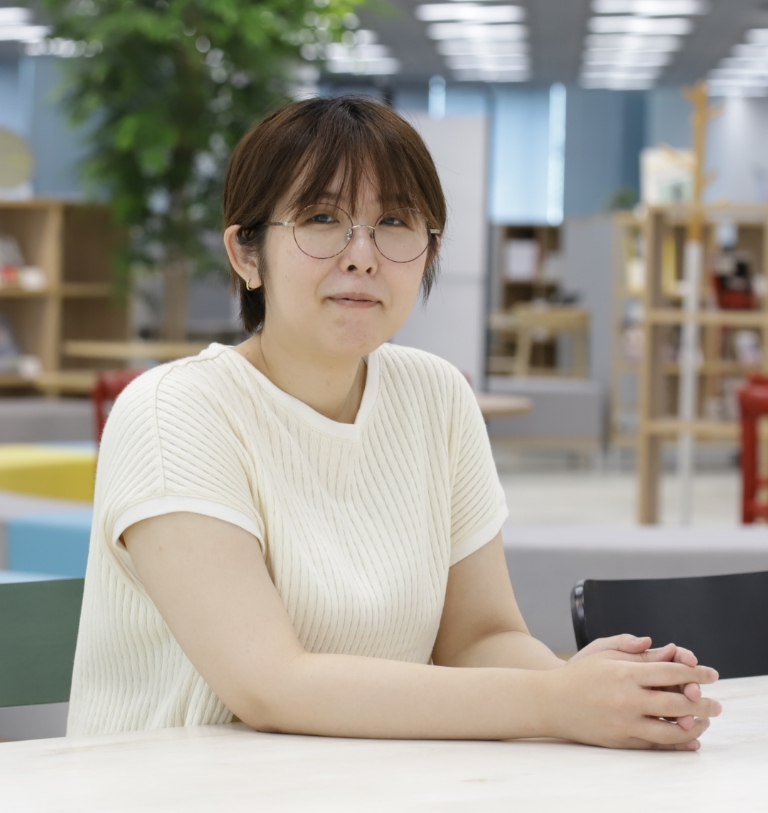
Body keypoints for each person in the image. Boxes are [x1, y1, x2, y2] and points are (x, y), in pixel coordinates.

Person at [67, 96, 721, 748]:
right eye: (321, 218)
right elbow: (269, 684)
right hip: (179, 786)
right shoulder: (173, 411)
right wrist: (556, 700)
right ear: (246, 252)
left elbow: (478, 637)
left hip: (368, 784)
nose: (362, 255)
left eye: (395, 222)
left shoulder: (437, 395)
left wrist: (601, 691)